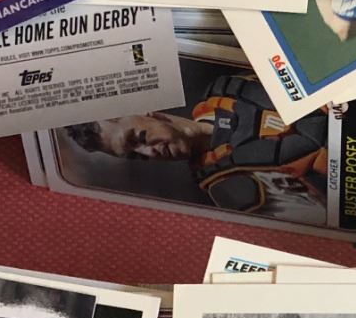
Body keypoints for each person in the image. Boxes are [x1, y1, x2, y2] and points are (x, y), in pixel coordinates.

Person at [62, 73, 334, 225]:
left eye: (138, 138)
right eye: (135, 156)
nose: (148, 153)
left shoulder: (228, 90)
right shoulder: (229, 187)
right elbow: (326, 221)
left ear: (146, 112)